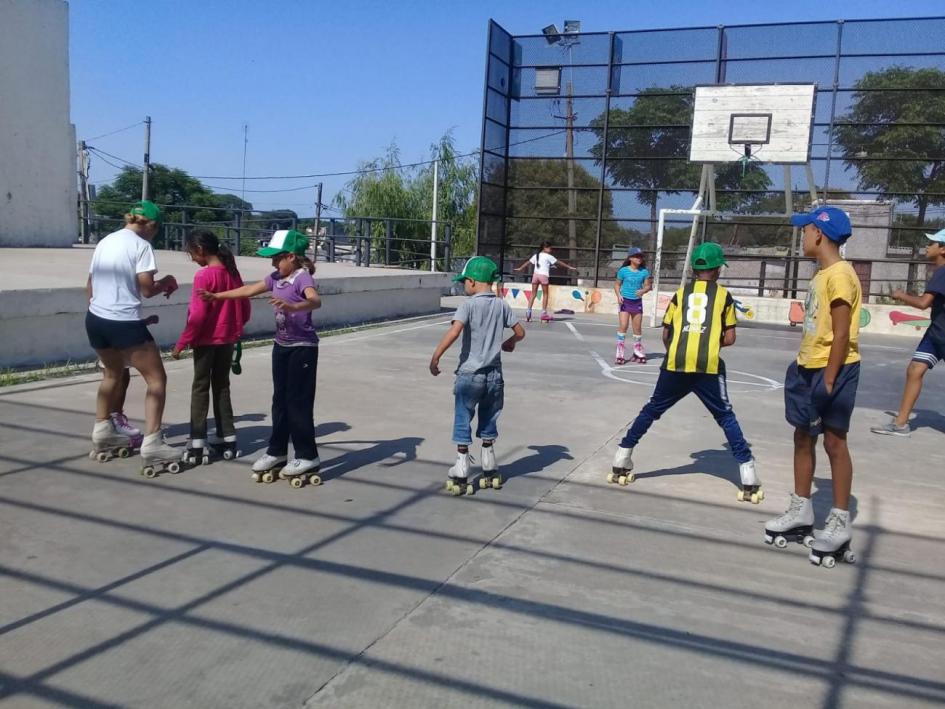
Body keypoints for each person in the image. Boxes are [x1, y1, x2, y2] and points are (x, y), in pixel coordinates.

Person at [610, 242, 761, 502]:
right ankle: (747, 473)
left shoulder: (680, 294)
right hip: (707, 367)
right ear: (717, 270)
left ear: (693, 268)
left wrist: (675, 350)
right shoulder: (724, 296)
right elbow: (731, 337)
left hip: (675, 363)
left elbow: (666, 332)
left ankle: (622, 455)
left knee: (652, 409)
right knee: (725, 416)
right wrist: (709, 344)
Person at [763, 206, 861, 568]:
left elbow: (840, 332)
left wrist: (830, 379)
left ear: (819, 234)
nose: (801, 236)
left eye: (805, 231)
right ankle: (801, 509)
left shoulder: (840, 276)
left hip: (835, 369)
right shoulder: (821, 276)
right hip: (808, 365)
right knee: (802, 436)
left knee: (835, 442)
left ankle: (839, 519)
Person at [201, 229, 322, 485]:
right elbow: (248, 290)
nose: (272, 263)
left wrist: (293, 306)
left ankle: (307, 455)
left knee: (298, 403)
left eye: (276, 258)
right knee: (279, 401)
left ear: (291, 256)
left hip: (303, 348)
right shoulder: (276, 276)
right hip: (282, 346)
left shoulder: (302, 278)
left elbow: (315, 301)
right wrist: (217, 297)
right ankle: (276, 451)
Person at [85, 200, 181, 472]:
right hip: (123, 321)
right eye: (156, 229)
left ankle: (102, 429)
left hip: (95, 319)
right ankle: (153, 441)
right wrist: (168, 281)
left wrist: (103, 310)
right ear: (150, 225)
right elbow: (148, 289)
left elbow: (89, 285)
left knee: (112, 375)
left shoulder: (105, 241)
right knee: (157, 379)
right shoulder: (142, 246)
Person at [430, 256, 525, 495]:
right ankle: (489, 464)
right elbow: (521, 332)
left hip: (469, 374)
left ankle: (462, 466)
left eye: (464, 281)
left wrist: (436, 356)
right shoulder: (502, 305)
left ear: (473, 281)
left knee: (463, 416)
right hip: (494, 374)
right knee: (489, 417)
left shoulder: (468, 305)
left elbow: (454, 331)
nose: (464, 285)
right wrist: (510, 341)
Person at [173, 231, 251, 464]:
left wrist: (181, 343)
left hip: (206, 340)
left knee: (200, 387)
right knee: (221, 386)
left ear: (200, 250)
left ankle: (197, 440)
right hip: (227, 340)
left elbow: (197, 315)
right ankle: (227, 436)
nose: (193, 259)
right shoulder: (233, 274)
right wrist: (234, 327)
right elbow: (245, 308)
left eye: (191, 254)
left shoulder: (204, 276)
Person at [870, 228, 945, 437]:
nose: (927, 246)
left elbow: (923, 303)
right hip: (936, 334)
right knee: (915, 370)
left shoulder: (942, 272)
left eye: (933, 243)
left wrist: (900, 295)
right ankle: (901, 423)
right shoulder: (939, 272)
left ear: (943, 250)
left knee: (914, 371)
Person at [513, 241, 578, 323]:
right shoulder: (548, 256)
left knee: (533, 294)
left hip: (535, 276)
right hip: (543, 276)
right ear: (545, 248)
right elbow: (559, 262)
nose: (551, 249)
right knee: (545, 294)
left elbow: (528, 262)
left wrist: (520, 268)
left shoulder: (536, 255)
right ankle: (543, 313)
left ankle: (528, 312)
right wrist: (569, 267)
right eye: (549, 248)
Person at [614, 247, 652, 364]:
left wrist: (643, 291)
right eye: (636, 256)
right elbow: (617, 285)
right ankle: (620, 351)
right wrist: (618, 295)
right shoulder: (623, 271)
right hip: (625, 301)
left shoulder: (644, 272)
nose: (639, 258)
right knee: (624, 325)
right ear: (630, 258)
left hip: (637, 302)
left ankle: (637, 350)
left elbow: (648, 286)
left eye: (640, 256)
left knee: (637, 328)